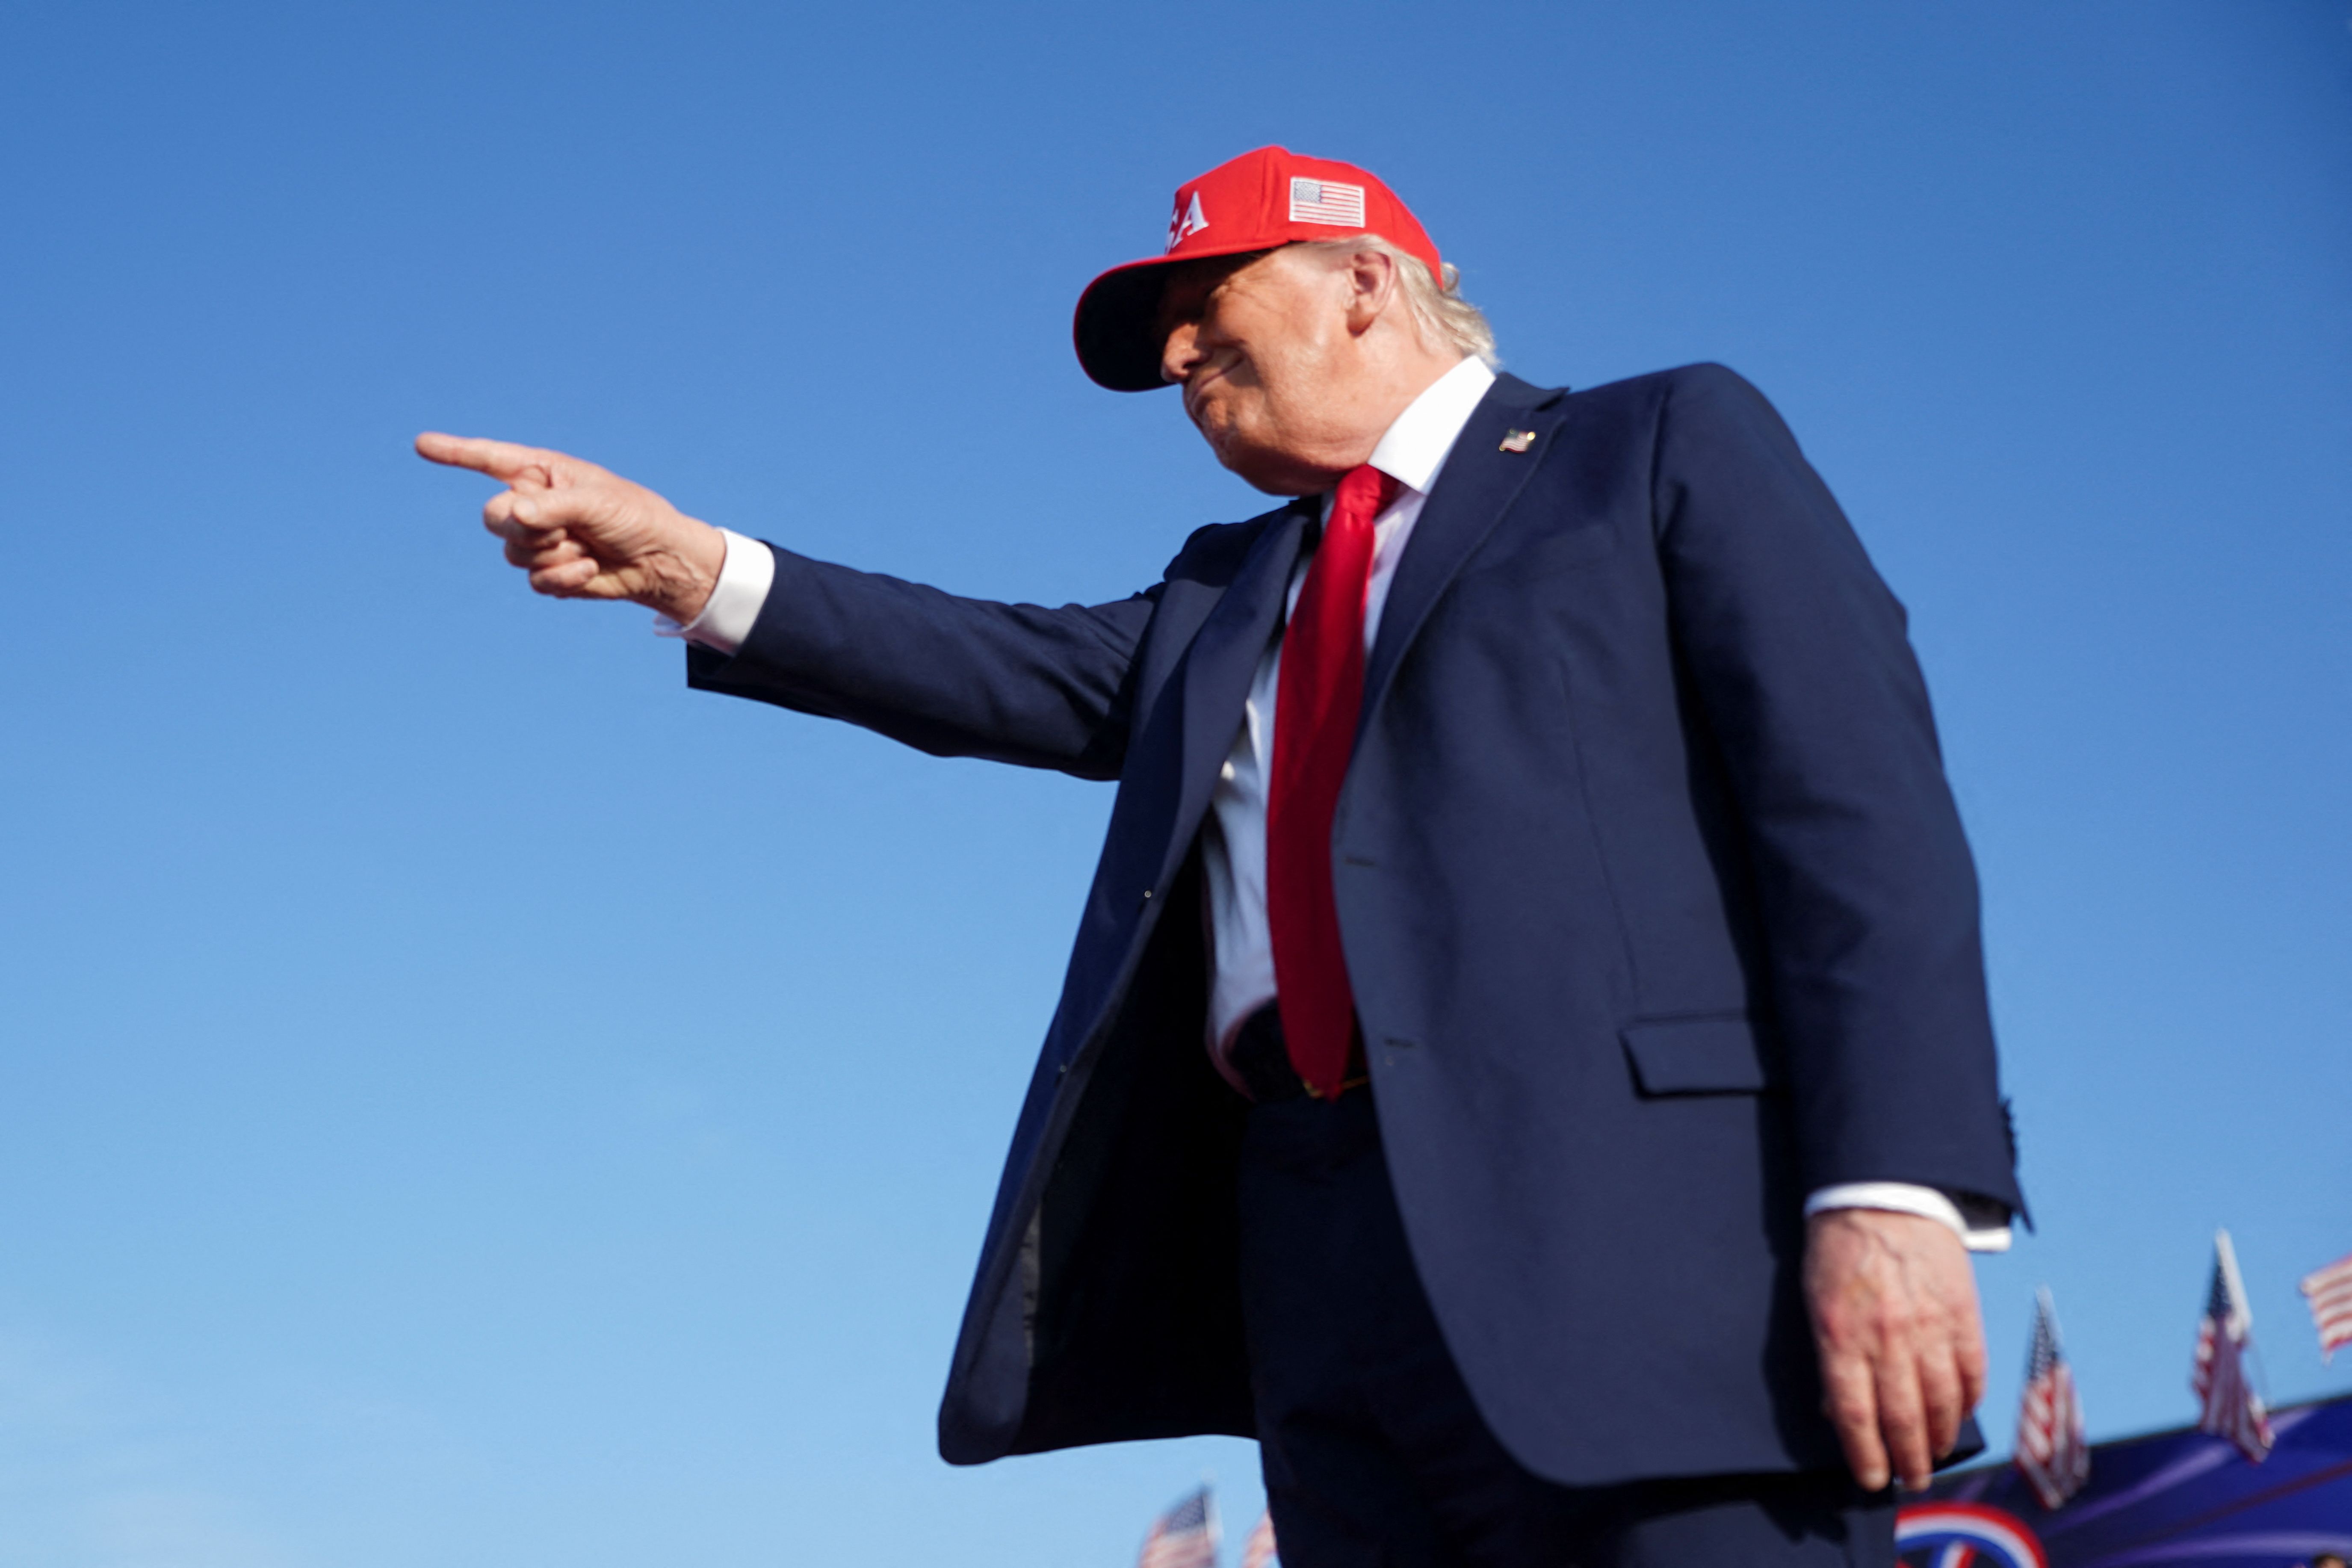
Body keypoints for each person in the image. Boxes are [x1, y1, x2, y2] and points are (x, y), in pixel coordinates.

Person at [419, 146, 2024, 1566]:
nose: (1178, 352)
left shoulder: (1653, 446)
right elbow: (986, 664)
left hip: (1650, 1271)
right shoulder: (1216, 590)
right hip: (1311, 1271)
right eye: (1161, 336)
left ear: (1362, 285)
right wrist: (692, 566)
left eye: (1208, 299)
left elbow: (1854, 810)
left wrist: (1894, 1189)